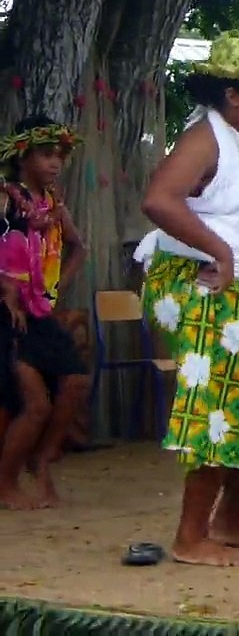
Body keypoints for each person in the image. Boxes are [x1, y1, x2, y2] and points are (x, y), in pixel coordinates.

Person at [134, 33, 239, 566]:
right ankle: (190, 537)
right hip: (192, 279)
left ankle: (229, 521)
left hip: (226, 285)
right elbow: (158, 199)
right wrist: (220, 251)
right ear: (233, 95)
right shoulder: (203, 137)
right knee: (221, 403)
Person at [0, 116, 89, 509]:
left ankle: (41, 458)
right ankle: (5, 484)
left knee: (75, 381)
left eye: (60, 156)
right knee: (35, 405)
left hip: (39, 312)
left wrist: (54, 289)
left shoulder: (53, 203)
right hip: (7, 315)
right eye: (46, 155)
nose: (55, 163)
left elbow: (78, 247)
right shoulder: (5, 197)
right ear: (23, 156)